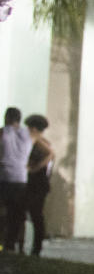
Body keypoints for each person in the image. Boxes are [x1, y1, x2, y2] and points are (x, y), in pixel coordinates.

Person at [0, 107, 32, 253]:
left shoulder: (3, 132)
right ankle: (11, 245)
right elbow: (48, 150)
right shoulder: (28, 134)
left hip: (5, 177)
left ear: (7, 117)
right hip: (21, 178)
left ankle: (2, 243)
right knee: (16, 214)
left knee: (3, 212)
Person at [22, 114, 54, 256]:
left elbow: (50, 156)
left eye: (28, 128)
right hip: (40, 184)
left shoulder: (40, 144)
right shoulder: (44, 143)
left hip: (37, 184)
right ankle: (35, 247)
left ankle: (36, 248)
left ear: (34, 129)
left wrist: (32, 169)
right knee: (35, 216)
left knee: (36, 216)